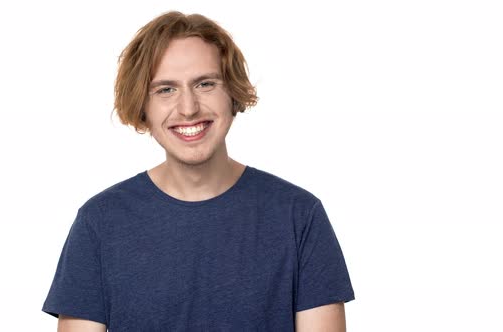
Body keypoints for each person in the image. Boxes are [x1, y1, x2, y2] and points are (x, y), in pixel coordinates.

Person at [42, 11, 354, 332]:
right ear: (142, 106)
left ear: (232, 92)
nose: (188, 107)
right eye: (165, 89)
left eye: (205, 84)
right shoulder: (99, 223)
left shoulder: (299, 217)